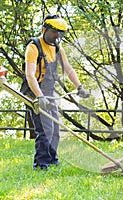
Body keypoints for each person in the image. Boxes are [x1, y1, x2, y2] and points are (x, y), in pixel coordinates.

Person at [25, 14, 89, 170]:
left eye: (60, 32)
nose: (57, 35)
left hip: (50, 92)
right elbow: (30, 75)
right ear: (44, 29)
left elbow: (68, 69)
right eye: (54, 31)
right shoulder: (33, 47)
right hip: (35, 92)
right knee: (45, 129)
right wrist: (39, 97)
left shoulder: (58, 48)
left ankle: (52, 159)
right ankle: (41, 164)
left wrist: (79, 86)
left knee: (55, 128)